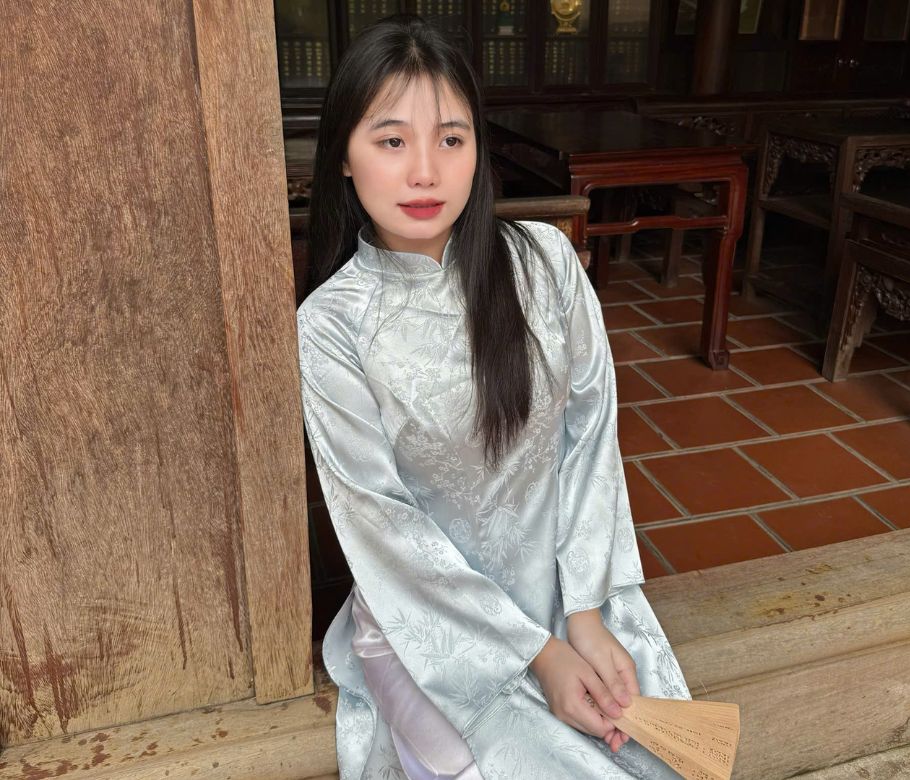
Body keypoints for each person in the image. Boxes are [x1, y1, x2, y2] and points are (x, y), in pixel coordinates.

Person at [297, 14, 689, 780]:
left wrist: (584, 616)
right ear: (343, 154)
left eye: (451, 138)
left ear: (479, 147)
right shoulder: (332, 326)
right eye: (391, 141)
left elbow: (589, 440)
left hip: (568, 592)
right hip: (434, 625)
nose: (425, 172)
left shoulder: (545, 263)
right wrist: (538, 655)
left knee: (651, 753)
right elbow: (384, 524)